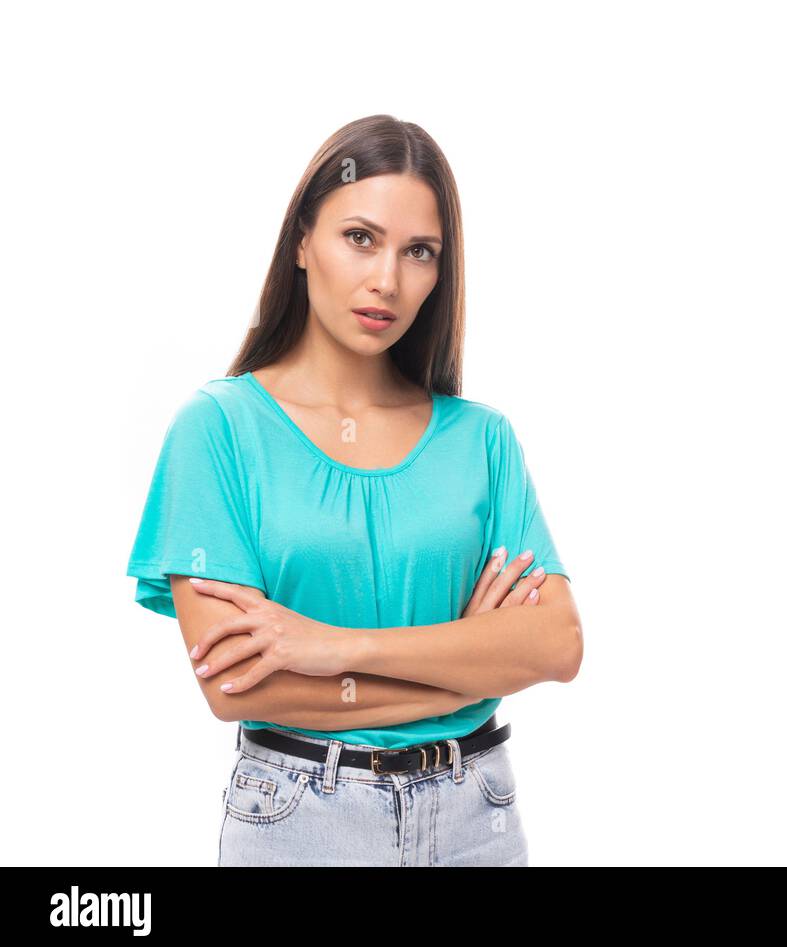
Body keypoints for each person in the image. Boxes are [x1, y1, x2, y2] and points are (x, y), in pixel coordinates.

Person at [125, 114, 582, 866]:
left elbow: (558, 645)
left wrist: (331, 647)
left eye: (420, 252)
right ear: (302, 241)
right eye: (360, 238)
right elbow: (236, 689)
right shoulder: (220, 431)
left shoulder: (481, 439)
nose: (387, 281)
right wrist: (468, 670)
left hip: (479, 818)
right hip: (302, 821)